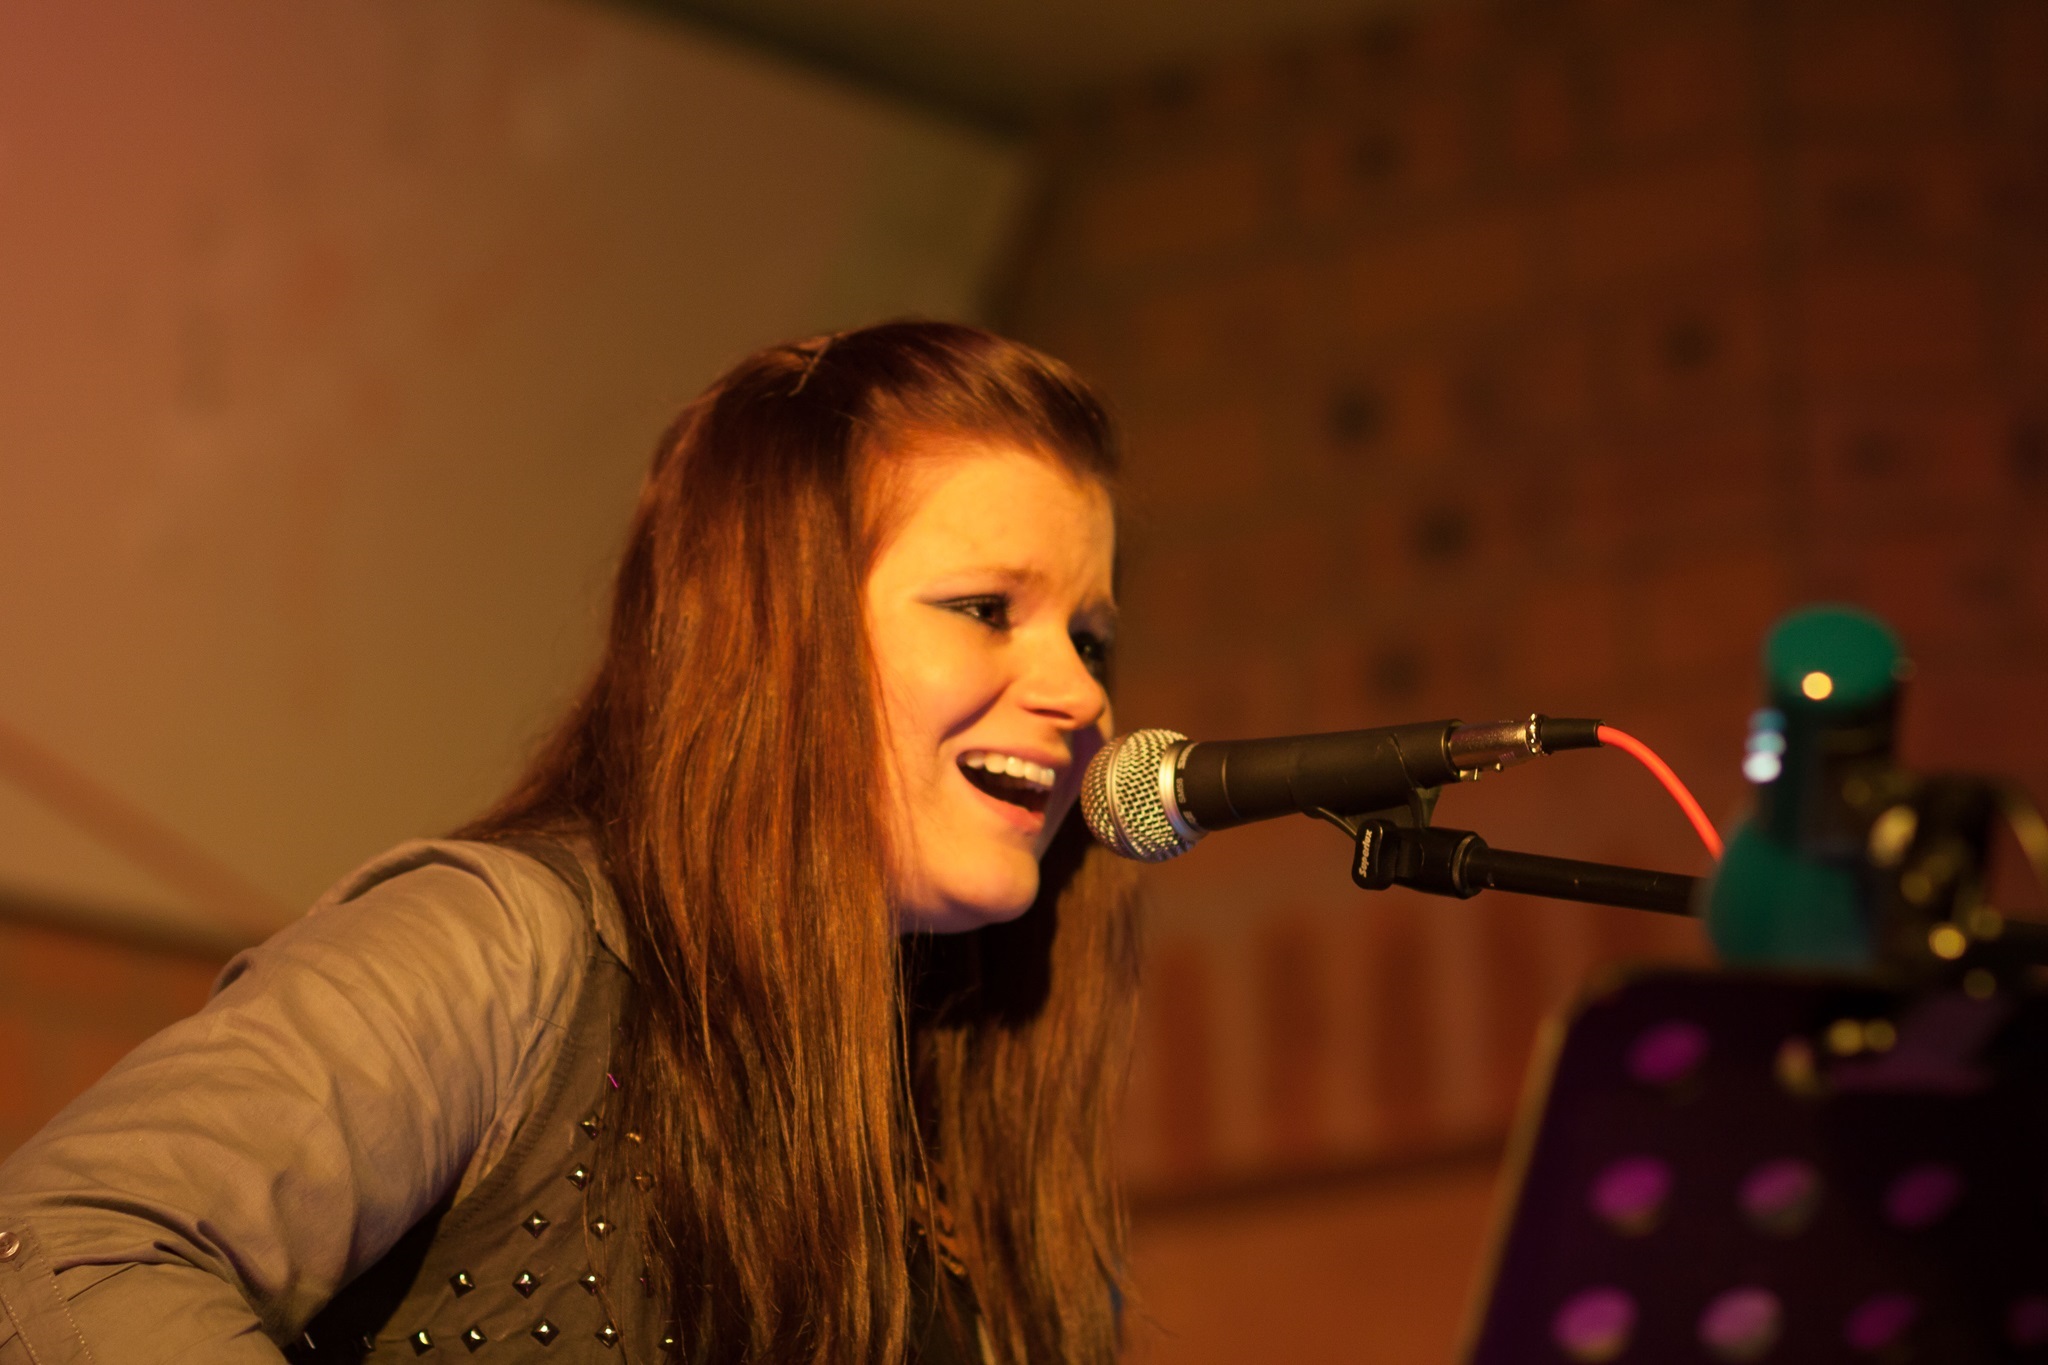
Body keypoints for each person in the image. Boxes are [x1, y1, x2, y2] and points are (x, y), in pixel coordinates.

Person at [0, 322, 1141, 1364]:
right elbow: (73, 1246)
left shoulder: (966, 1109)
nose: (1079, 693)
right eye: (986, 609)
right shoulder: (503, 945)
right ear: (775, 630)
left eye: (1090, 639)